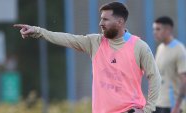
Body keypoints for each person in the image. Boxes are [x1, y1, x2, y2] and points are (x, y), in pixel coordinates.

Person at [14, 2, 161, 113]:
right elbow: (68, 38)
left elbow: (155, 77)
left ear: (120, 22)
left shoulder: (139, 46)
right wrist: (37, 31)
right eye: (100, 19)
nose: (100, 23)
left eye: (105, 19)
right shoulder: (94, 42)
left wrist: (149, 109)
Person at [153, 16, 186, 113]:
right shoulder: (160, 48)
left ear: (168, 30)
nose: (155, 32)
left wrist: (177, 106)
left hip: (171, 106)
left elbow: (184, 80)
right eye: (154, 29)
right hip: (157, 104)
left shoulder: (179, 49)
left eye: (158, 29)